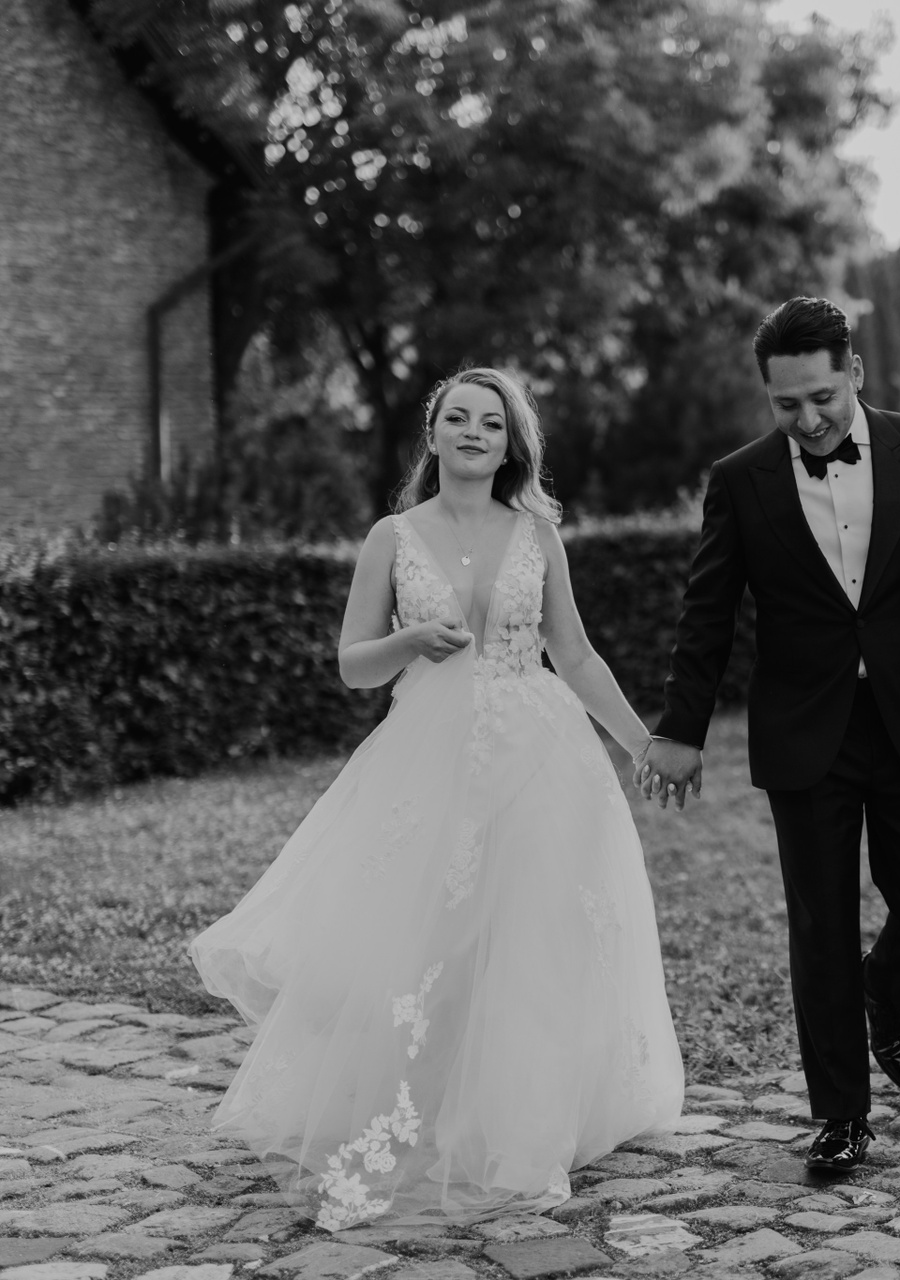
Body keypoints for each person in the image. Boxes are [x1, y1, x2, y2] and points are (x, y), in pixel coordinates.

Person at [192, 368, 682, 1230]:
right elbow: (353, 664)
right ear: (434, 433)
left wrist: (641, 741)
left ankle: (518, 1123)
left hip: (540, 754)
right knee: (430, 934)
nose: (472, 432)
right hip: (429, 757)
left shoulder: (538, 534)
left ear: (510, 444)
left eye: (491, 422)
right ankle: (421, 1102)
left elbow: (574, 653)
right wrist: (411, 638)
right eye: (458, 417)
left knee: (528, 934)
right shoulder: (392, 537)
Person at [636, 297, 900, 1174]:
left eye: (822, 398)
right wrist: (681, 728)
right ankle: (841, 1117)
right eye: (787, 405)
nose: (809, 420)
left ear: (854, 371)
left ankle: (884, 993)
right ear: (767, 395)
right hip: (804, 728)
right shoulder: (740, 479)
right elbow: (708, 614)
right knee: (820, 925)